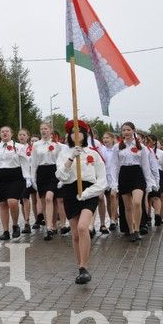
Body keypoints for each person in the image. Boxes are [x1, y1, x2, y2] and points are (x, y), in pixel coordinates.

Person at [55, 120, 107, 284]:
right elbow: (61, 176)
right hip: (70, 191)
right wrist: (71, 158)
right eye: (72, 132)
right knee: (76, 233)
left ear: (85, 134)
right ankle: (80, 267)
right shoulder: (64, 153)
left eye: (79, 131)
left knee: (83, 227)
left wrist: (86, 193)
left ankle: (85, 267)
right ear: (69, 135)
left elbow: (102, 181)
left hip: (88, 192)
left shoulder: (94, 153)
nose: (76, 135)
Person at [108, 122, 157, 243]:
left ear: (133, 131)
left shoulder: (141, 147)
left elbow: (145, 166)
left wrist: (150, 182)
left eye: (128, 130)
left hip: (137, 175)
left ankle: (137, 229)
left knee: (136, 202)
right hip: (124, 175)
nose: (126, 132)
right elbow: (114, 166)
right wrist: (114, 182)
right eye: (124, 130)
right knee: (127, 207)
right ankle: (131, 230)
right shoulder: (117, 147)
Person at [0, 126, 31, 241]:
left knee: (13, 202)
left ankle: (15, 225)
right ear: (0, 134)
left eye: (7, 131)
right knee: (3, 204)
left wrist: (27, 177)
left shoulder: (18, 147)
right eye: (2, 131)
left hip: (15, 176)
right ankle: (5, 231)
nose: (4, 133)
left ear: (11, 134)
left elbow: (24, 162)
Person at [31, 121, 65, 241]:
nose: (43, 131)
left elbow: (61, 161)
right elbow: (34, 163)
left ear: (51, 131)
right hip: (41, 172)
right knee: (46, 202)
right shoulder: (36, 145)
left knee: (50, 198)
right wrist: (32, 178)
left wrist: (62, 177)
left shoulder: (58, 145)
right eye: (42, 129)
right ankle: (51, 226)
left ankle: (50, 226)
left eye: (46, 129)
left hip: (53, 171)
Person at [16, 128, 35, 233]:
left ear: (28, 136)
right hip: (18, 176)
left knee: (25, 198)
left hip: (29, 175)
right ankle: (26, 221)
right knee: (22, 201)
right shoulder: (15, 147)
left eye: (24, 135)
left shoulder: (31, 148)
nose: (22, 136)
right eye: (20, 135)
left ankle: (28, 222)